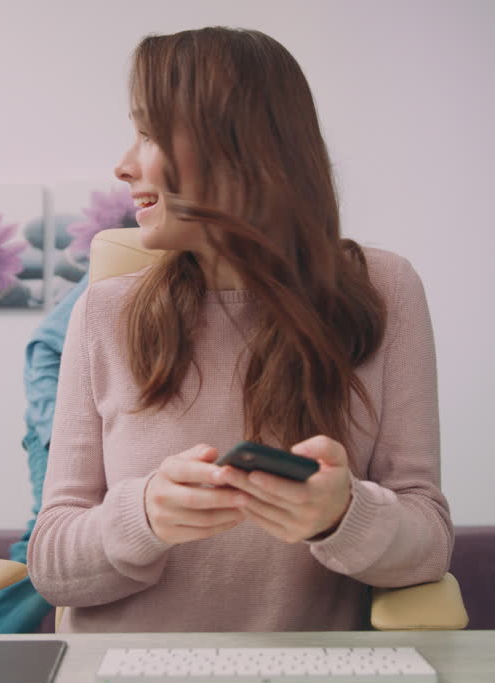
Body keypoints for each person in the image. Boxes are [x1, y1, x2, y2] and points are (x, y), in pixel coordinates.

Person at [27, 27, 453, 633]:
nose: (123, 166)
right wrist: (143, 517)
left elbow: (429, 543)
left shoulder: (385, 291)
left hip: (312, 676)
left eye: (149, 135)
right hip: (122, 675)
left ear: (234, 146)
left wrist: (343, 515)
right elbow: (50, 564)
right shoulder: (104, 311)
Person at [0, 274, 88, 633]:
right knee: (52, 544)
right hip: (57, 430)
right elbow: (44, 346)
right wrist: (57, 433)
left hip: (102, 429)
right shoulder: (121, 256)